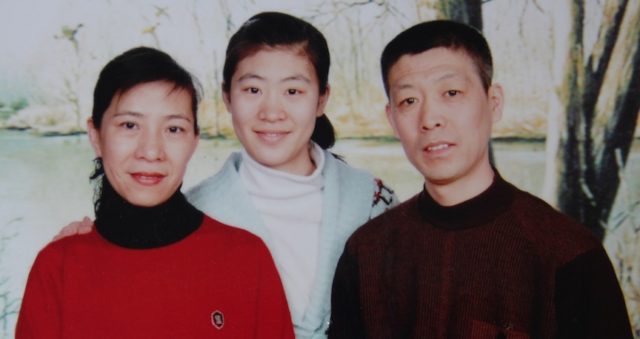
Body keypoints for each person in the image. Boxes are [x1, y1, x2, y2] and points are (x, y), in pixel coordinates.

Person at [53, 12, 397, 338]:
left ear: (322, 99)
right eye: (252, 90)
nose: (271, 112)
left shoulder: (372, 200)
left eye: (293, 91)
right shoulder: (192, 216)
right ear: (227, 97)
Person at [328, 20, 633, 338]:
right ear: (392, 119)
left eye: (451, 93)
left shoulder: (568, 254)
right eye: (409, 101)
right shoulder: (366, 253)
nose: (430, 119)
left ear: (494, 102)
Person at [16, 47, 294, 338]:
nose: (151, 151)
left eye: (174, 129)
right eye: (129, 125)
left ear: (194, 141)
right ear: (96, 136)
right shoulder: (58, 268)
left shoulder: (246, 259)